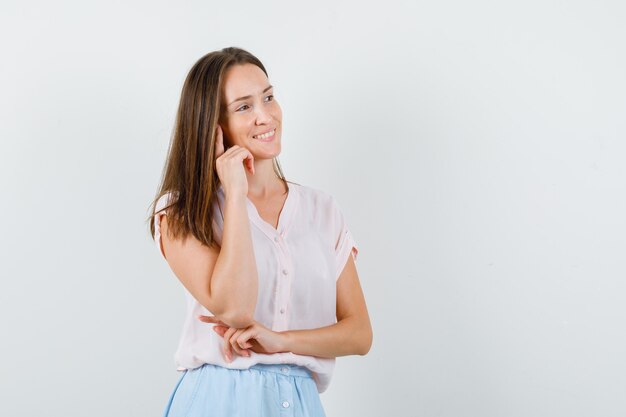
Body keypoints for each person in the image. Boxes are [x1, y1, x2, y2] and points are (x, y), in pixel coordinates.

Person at [147, 47, 372, 417]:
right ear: (213, 126)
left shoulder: (322, 210)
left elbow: (360, 334)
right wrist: (234, 193)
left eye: (268, 97)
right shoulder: (180, 212)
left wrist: (280, 341)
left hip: (301, 403)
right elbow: (235, 309)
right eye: (244, 106)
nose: (266, 115)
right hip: (219, 400)